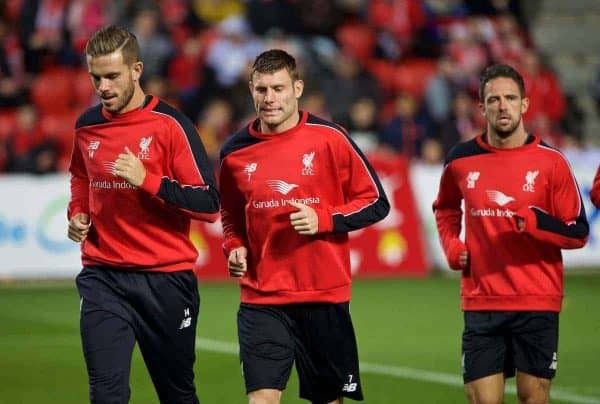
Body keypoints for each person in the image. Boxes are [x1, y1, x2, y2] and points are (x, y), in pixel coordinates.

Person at [219, 49, 390, 404]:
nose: (270, 99)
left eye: (278, 88)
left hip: (322, 296)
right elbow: (232, 216)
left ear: (297, 88)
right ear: (251, 89)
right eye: (262, 89)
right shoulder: (234, 152)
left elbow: (376, 202)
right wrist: (233, 246)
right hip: (262, 297)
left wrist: (324, 219)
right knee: (261, 399)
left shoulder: (330, 138)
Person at [67, 25, 219, 404]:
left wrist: (147, 181)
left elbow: (209, 203)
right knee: (106, 394)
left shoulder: (172, 125)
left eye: (112, 76)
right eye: (96, 77)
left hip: (165, 281)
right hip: (104, 276)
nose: (103, 87)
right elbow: (80, 176)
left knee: (176, 394)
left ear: (136, 71)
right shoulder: (88, 126)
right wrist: (79, 211)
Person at [432, 64, 589, 404]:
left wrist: (538, 224)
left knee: (533, 397)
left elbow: (578, 231)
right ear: (481, 107)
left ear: (525, 104)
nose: (503, 106)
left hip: (536, 300)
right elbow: (445, 209)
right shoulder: (460, 160)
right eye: (494, 99)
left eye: (510, 98)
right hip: (482, 300)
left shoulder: (552, 162)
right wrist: (451, 244)